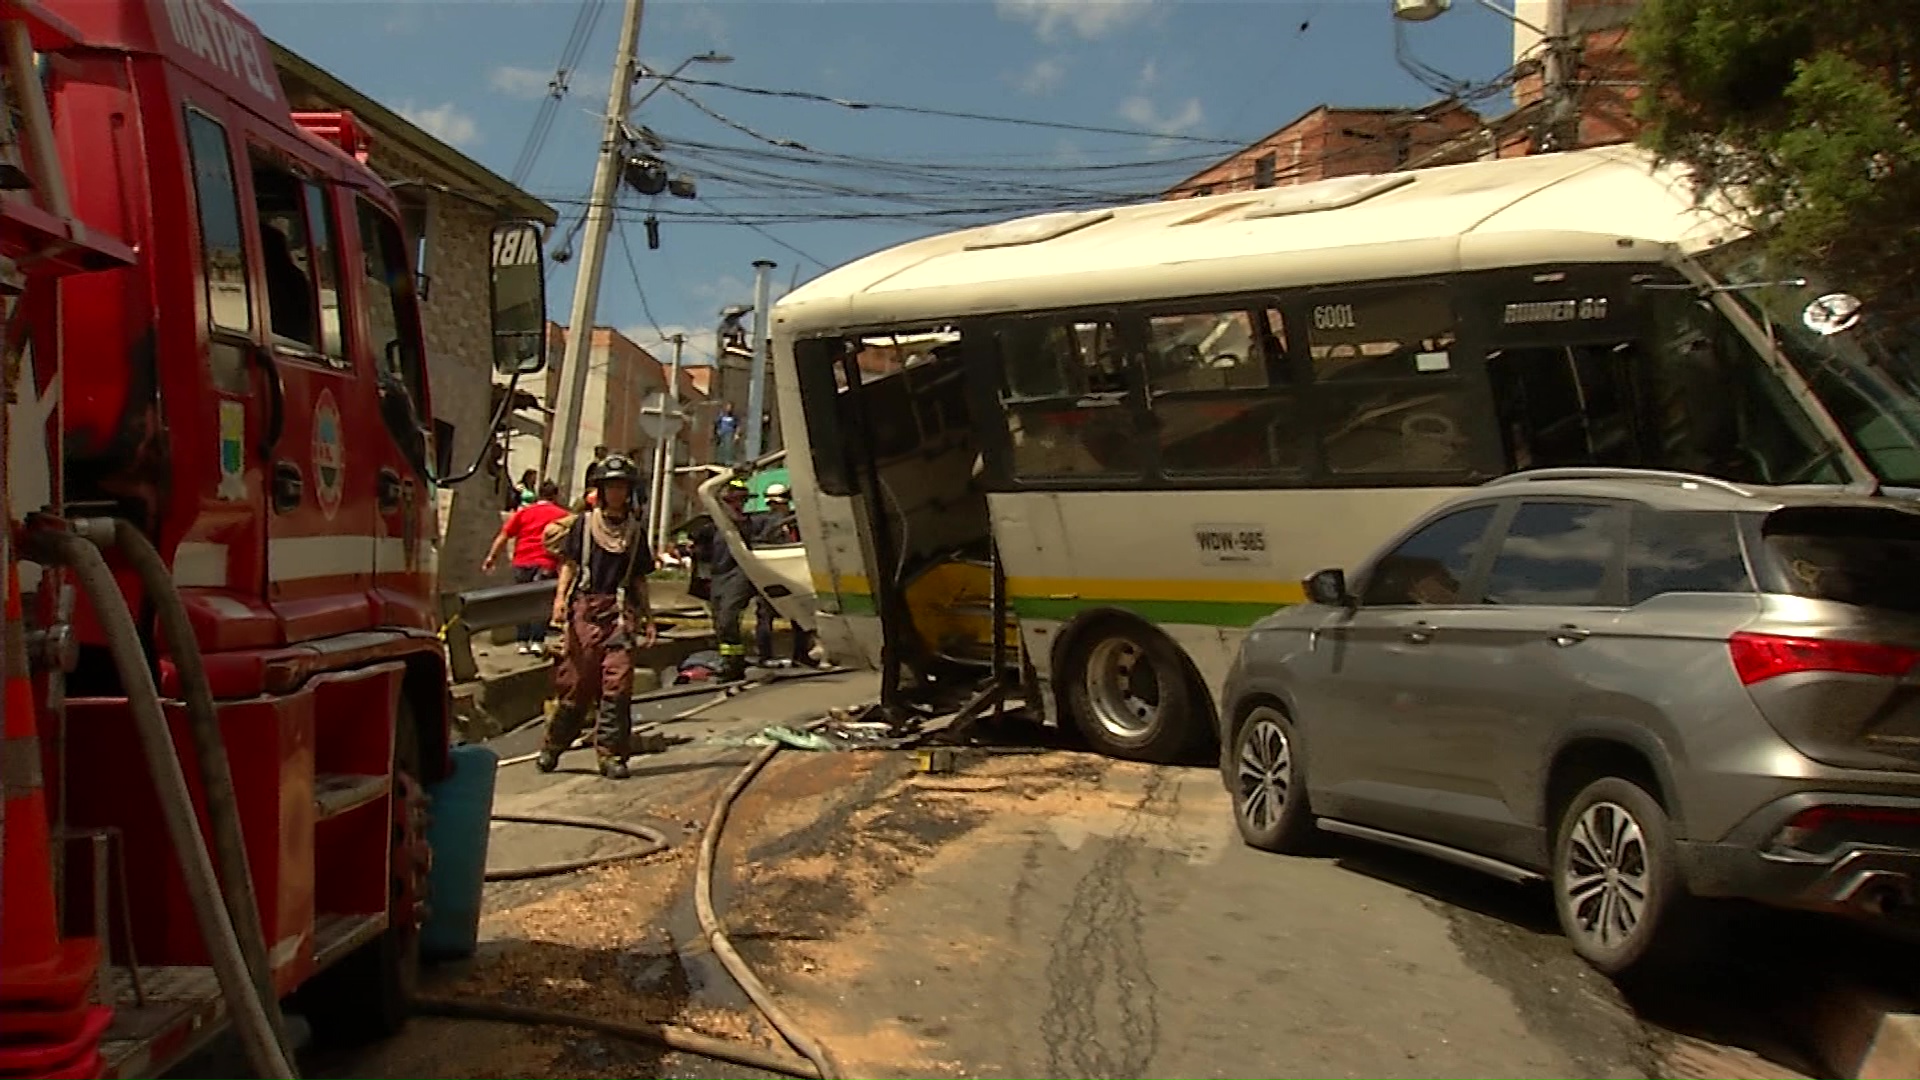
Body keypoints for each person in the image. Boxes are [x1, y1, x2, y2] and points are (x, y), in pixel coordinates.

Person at [537, 454, 657, 779]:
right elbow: (570, 565)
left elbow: (639, 579)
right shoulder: (584, 525)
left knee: (617, 685)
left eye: (621, 487)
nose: (616, 493)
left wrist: (647, 617)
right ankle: (553, 746)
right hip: (585, 610)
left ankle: (611, 755)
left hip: (620, 613)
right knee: (578, 684)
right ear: (601, 490)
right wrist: (560, 601)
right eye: (610, 487)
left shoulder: (634, 531)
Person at [482, 479, 570, 654]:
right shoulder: (563, 515)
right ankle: (537, 640)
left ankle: (522, 641)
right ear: (555, 495)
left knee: (522, 603)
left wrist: (491, 557)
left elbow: (504, 535)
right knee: (541, 603)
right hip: (546, 562)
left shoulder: (524, 513)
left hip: (522, 561)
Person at [693, 476, 754, 681]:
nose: (737, 504)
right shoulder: (710, 526)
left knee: (728, 617)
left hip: (739, 575)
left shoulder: (747, 525)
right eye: (732, 500)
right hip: (718, 576)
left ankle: (734, 663)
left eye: (740, 500)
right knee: (719, 622)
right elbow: (702, 554)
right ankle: (730, 661)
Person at [750, 484, 814, 667]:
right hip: (771, 575)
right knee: (765, 616)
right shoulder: (763, 523)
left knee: (800, 616)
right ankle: (765, 656)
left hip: (795, 575)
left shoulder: (797, 520)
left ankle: (801, 655)